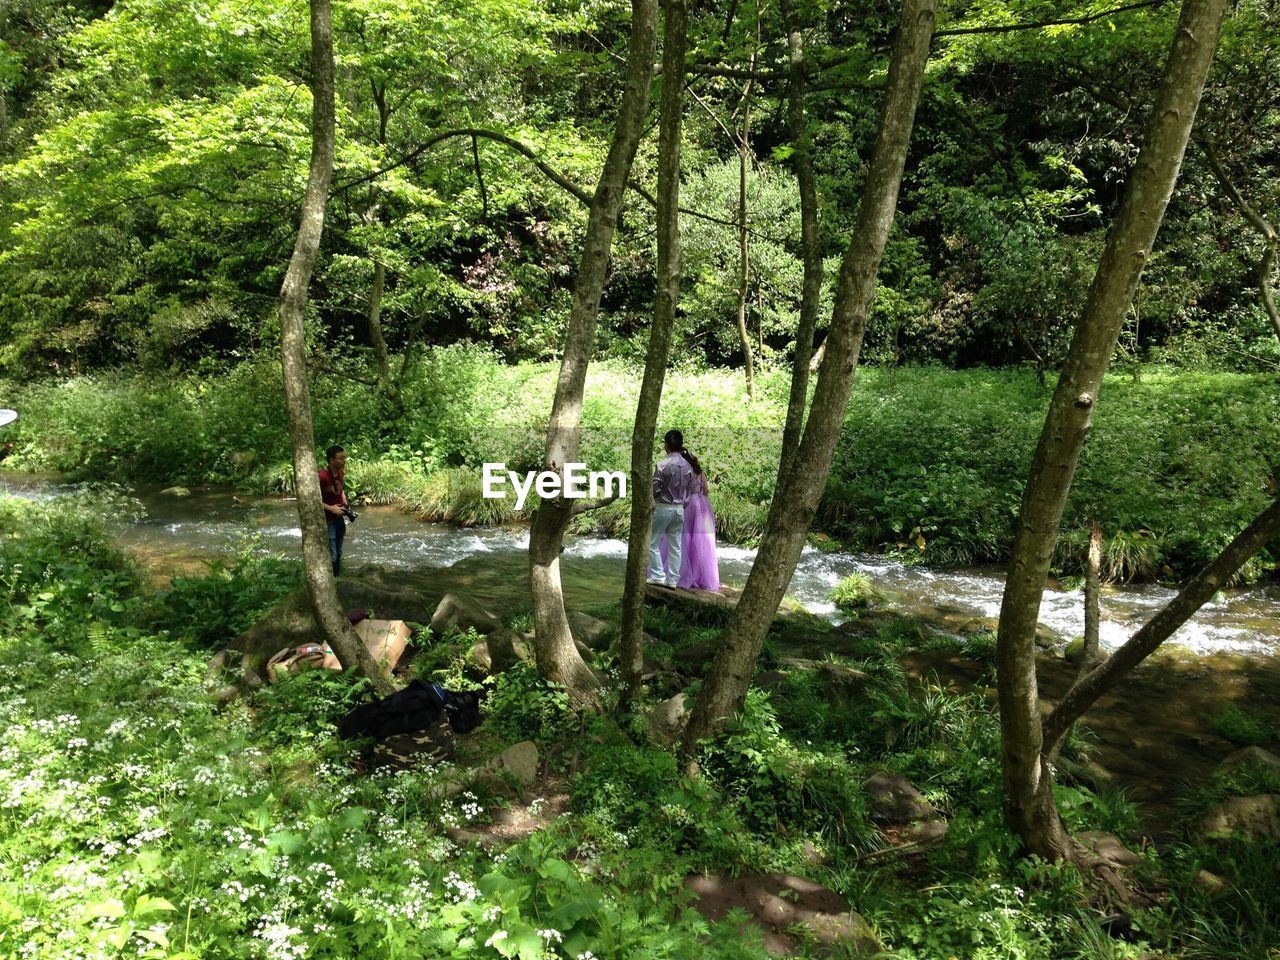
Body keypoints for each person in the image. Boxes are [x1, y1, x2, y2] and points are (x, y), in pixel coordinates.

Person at [649, 429, 698, 587]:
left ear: (666, 446)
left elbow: (654, 487)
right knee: (675, 545)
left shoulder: (662, 465)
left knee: (652, 542)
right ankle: (672, 580)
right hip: (679, 509)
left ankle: (658, 575)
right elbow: (693, 488)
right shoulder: (688, 466)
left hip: (663, 507)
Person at [676, 449, 720, 592]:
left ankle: (686, 575)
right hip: (702, 507)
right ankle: (703, 577)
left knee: (686, 540)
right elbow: (706, 491)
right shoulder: (701, 473)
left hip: (688, 507)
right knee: (703, 542)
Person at [319, 444, 349, 576]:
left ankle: (337, 578)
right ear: (331, 460)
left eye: (344, 458)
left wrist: (344, 500)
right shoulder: (322, 477)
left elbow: (341, 490)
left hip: (339, 518)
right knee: (332, 553)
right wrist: (331, 508)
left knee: (339, 551)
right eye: (341, 458)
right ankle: (330, 580)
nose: (344, 460)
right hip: (328, 520)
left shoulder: (341, 473)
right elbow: (313, 501)